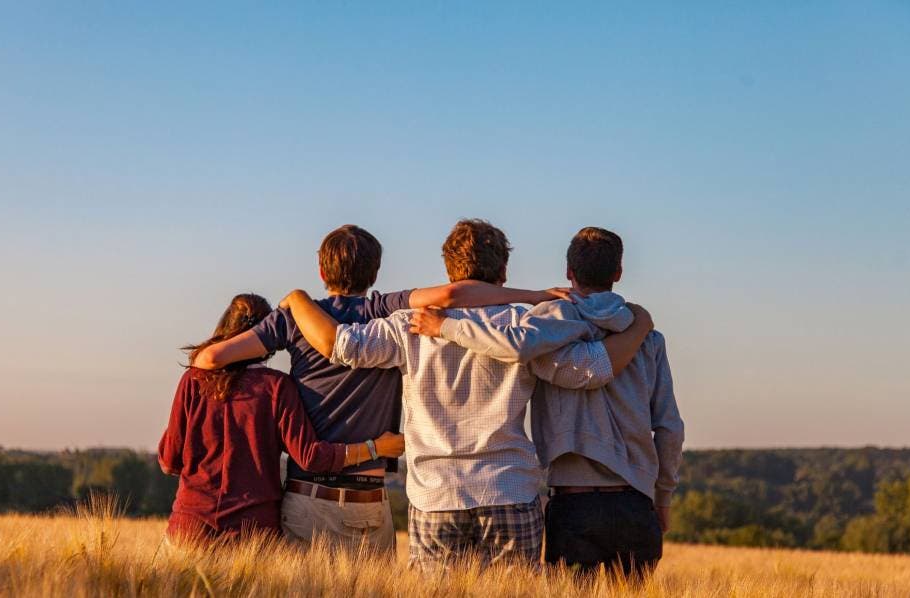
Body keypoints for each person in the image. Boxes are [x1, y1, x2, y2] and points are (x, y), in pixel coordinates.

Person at [279, 219, 654, 569]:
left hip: (436, 496)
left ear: (448, 271)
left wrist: (297, 300)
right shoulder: (525, 325)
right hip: (509, 489)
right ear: (503, 273)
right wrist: (639, 327)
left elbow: (341, 346)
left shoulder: (408, 325)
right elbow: (589, 370)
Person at [189, 224, 572, 553]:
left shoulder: (294, 318)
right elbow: (453, 296)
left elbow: (209, 360)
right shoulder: (384, 309)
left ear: (321, 269)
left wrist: (291, 308)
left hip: (309, 495)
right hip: (371, 500)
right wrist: (534, 296)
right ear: (375, 272)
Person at [410, 227, 684, 580]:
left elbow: (516, 346)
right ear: (618, 273)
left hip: (573, 503)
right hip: (636, 502)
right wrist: (663, 498)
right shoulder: (648, 338)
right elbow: (669, 428)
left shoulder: (545, 327)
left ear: (569, 272)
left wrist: (446, 327)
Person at [158, 293, 405, 546]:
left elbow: (169, 461)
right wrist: (375, 448)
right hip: (253, 533)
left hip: (189, 528)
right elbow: (310, 457)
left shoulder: (193, 380)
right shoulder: (276, 387)